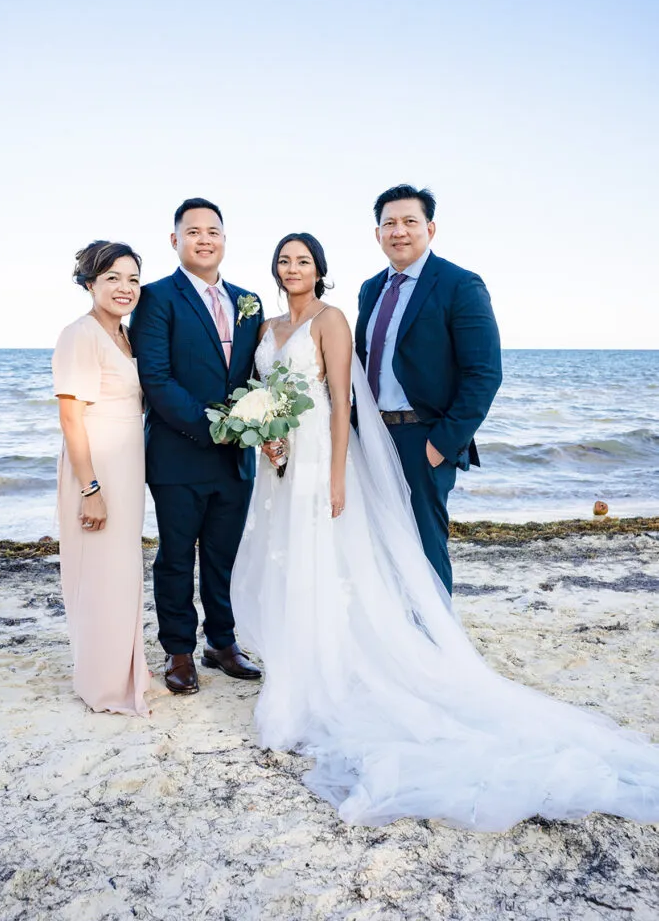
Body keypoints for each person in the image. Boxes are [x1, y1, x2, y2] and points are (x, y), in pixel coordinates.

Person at [231, 232, 659, 831]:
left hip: (349, 451)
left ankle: (421, 644)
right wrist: (268, 433)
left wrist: (351, 472)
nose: (292, 267)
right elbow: (276, 393)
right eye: (284, 259)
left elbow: (348, 401)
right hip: (281, 461)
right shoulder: (289, 318)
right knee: (293, 555)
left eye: (303, 259)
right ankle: (300, 655)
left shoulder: (358, 312)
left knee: (380, 549)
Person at [130, 197, 269, 695]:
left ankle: (222, 643)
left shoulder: (249, 302)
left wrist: (262, 425)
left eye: (213, 231)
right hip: (177, 454)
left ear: (225, 240)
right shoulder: (156, 298)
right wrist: (215, 426)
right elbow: (157, 379)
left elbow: (259, 376)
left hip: (237, 459)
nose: (204, 239)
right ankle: (179, 650)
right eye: (193, 232)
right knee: (174, 556)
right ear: (175, 240)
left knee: (223, 555)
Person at [355, 184, 502, 594]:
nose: (398, 231)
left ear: (430, 229)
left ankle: (436, 644)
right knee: (380, 543)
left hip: (422, 437)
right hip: (371, 435)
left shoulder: (459, 284)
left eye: (409, 222)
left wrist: (442, 443)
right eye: (389, 224)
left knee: (424, 544)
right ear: (377, 234)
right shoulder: (371, 288)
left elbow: (484, 374)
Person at [52, 241, 151, 717]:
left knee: (122, 572)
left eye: (132, 278)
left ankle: (126, 674)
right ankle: (103, 685)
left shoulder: (126, 336)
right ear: (90, 283)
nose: (124, 287)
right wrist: (90, 489)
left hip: (128, 470)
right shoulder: (81, 334)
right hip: (98, 472)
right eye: (112, 277)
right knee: (101, 575)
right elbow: (72, 418)